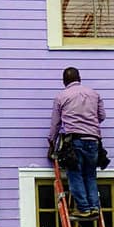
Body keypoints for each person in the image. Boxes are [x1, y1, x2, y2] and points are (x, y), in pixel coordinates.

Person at [48, 67, 106, 219]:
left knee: (75, 174)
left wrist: (51, 142)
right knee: (90, 175)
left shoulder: (61, 96)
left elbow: (56, 123)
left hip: (74, 140)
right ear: (79, 78)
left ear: (64, 81)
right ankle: (94, 207)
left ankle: (84, 208)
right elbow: (102, 116)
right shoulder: (94, 94)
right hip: (93, 140)